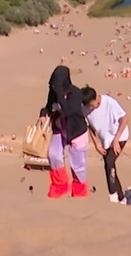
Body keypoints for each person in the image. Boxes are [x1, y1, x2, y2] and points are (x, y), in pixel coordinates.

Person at [41, 65, 88, 198]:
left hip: (76, 131)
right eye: (53, 85)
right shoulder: (54, 91)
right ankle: (60, 185)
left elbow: (69, 111)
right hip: (60, 129)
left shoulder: (75, 92)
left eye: (57, 85)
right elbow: (48, 106)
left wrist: (61, 96)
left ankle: (79, 192)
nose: (55, 87)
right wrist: (43, 114)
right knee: (53, 155)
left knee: (78, 165)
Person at [82, 86, 131, 203]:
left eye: (91, 105)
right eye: (87, 106)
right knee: (108, 166)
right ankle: (121, 197)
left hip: (119, 136)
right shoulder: (84, 108)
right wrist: (96, 144)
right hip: (105, 141)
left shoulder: (109, 102)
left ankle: (113, 195)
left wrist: (116, 140)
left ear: (96, 98)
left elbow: (125, 118)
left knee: (109, 162)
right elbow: (89, 126)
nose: (89, 108)